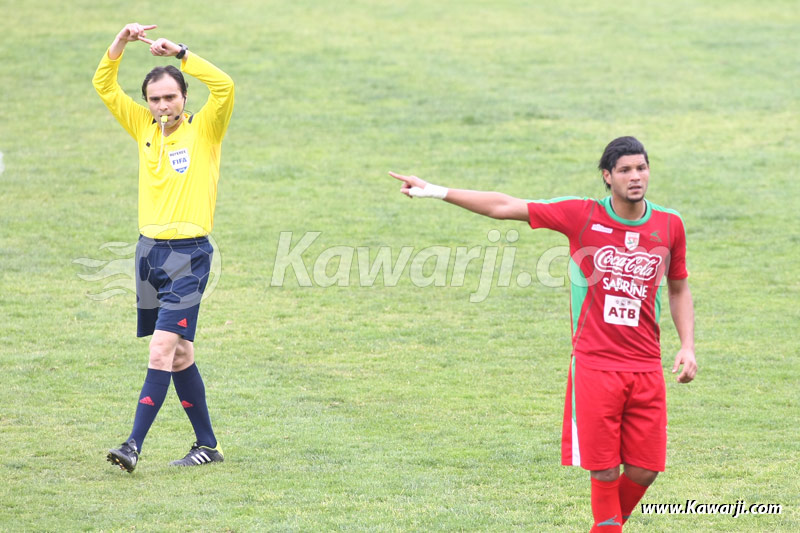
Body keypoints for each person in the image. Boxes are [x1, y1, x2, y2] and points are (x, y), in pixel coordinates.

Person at [390, 136, 697, 531]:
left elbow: (678, 286)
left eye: (641, 168)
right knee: (603, 471)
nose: (635, 177)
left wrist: (687, 346)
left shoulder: (669, 224)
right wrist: (435, 190)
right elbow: (504, 206)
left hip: (646, 367)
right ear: (607, 177)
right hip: (595, 366)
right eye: (625, 170)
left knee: (645, 470)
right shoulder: (581, 215)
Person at [93, 23, 234, 472]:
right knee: (179, 354)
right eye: (154, 99)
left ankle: (132, 445)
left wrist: (182, 52)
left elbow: (225, 85)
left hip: (189, 257)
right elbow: (104, 84)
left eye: (170, 97)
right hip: (148, 255)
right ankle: (208, 446)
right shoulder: (143, 126)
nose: (162, 106)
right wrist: (120, 42)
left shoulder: (207, 129)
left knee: (160, 350)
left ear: (184, 98)